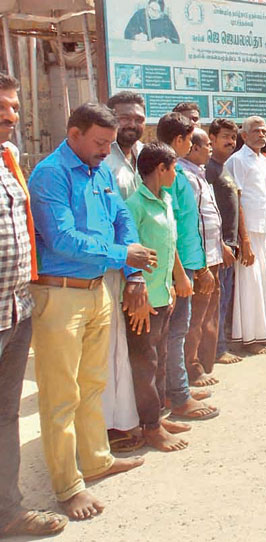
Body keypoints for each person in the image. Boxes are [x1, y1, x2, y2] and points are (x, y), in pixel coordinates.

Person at [28, 103, 149, 519]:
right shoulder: (50, 174)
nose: (104, 151)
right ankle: (67, 485)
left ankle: (96, 458)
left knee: (93, 383)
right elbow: (61, 238)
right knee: (61, 395)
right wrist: (122, 253)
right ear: (73, 133)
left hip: (97, 290)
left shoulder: (99, 170)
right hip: (60, 294)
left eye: (109, 144)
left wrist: (131, 267)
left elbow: (122, 218)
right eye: (99, 143)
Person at [0, 72, 69, 537]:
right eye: (1, 108)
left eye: (14, 108)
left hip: (14, 310)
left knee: (5, 418)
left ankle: (8, 510)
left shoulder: (9, 161)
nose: (10, 116)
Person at [124, 142, 191, 453]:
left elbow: (169, 243)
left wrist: (176, 280)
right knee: (145, 363)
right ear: (160, 169)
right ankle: (149, 427)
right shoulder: (135, 204)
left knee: (161, 358)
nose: (175, 174)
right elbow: (129, 251)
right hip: (144, 300)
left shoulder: (164, 200)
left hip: (163, 293)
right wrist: (140, 296)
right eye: (173, 168)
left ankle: (160, 418)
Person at [156, 113, 219, 421]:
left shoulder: (178, 172)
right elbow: (169, 228)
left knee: (179, 330)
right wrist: (181, 271)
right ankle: (177, 396)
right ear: (180, 141)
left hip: (189, 263)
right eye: (190, 138)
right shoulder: (169, 171)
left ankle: (178, 387)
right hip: (178, 267)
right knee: (176, 332)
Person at [103, 91, 146, 453]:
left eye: (138, 118)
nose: (132, 124)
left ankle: (132, 417)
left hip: (140, 268)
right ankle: (109, 428)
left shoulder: (140, 157)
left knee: (137, 347)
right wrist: (131, 274)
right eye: (124, 117)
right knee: (112, 350)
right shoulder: (105, 161)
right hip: (116, 269)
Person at [180, 128, 234, 386]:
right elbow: (190, 223)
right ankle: (191, 368)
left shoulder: (199, 174)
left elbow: (209, 217)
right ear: (192, 148)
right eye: (205, 145)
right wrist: (201, 269)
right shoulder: (184, 176)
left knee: (208, 316)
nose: (211, 149)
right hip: (199, 261)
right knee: (196, 319)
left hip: (213, 256)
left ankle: (203, 363)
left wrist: (221, 245)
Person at [225, 116, 266, 353]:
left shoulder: (263, 161)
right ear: (244, 136)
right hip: (246, 231)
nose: (261, 135)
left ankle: (259, 334)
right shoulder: (237, 160)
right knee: (248, 284)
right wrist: (243, 240)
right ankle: (247, 339)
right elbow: (237, 200)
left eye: (264, 131)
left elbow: (265, 200)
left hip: (261, 228)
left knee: (261, 283)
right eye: (256, 131)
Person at [206, 118, 249, 365]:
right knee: (216, 302)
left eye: (233, 138)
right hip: (218, 247)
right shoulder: (209, 170)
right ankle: (216, 350)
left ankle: (218, 346)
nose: (230, 142)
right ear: (211, 139)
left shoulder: (225, 168)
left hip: (230, 245)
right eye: (225, 137)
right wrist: (221, 244)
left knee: (223, 301)